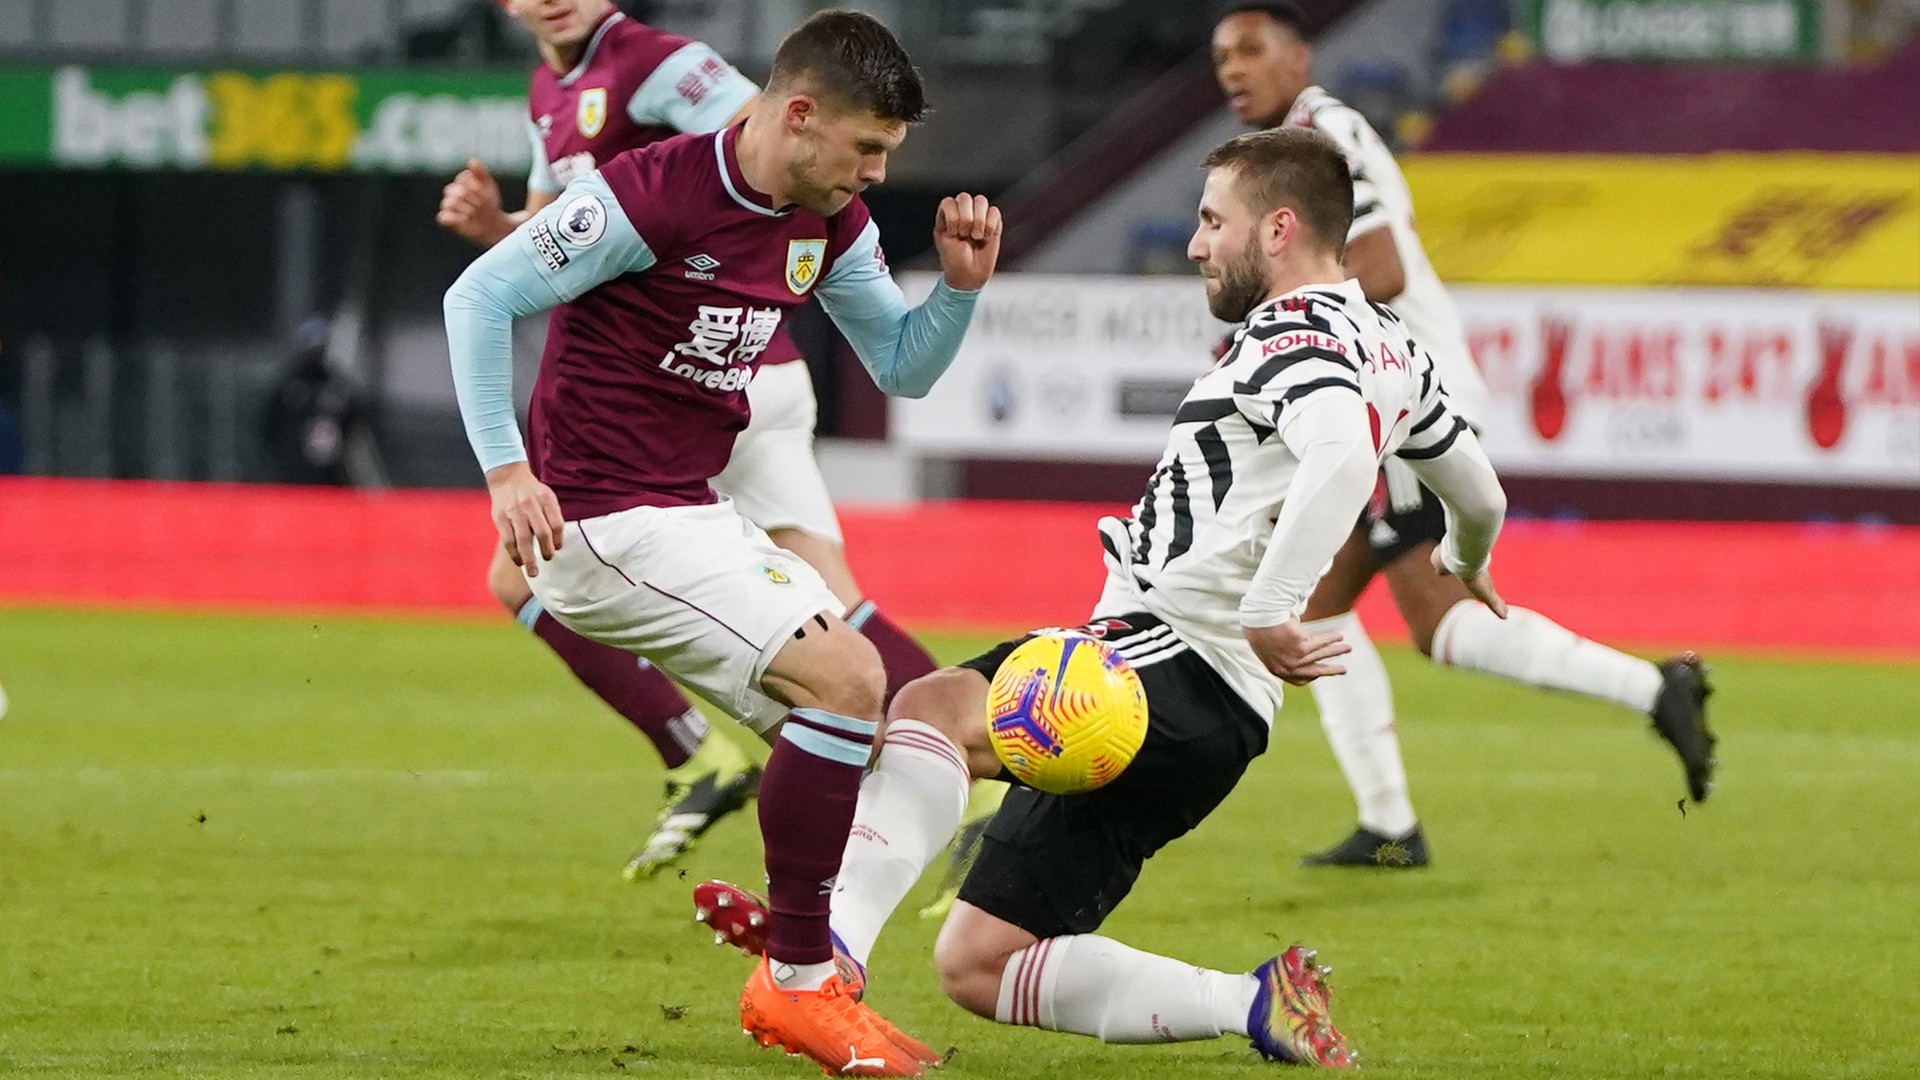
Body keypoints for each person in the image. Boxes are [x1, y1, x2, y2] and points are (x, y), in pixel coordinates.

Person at [697, 128, 1511, 1070]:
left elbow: (1334, 451)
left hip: (1169, 658)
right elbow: (1479, 487)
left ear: (1280, 228)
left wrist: (1268, 606)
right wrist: (1468, 552)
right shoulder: (1392, 344)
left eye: (1215, 221)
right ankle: (1256, 1002)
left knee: (931, 708)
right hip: (1215, 718)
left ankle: (821, 953)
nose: (1198, 244)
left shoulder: (1297, 333)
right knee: (981, 963)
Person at [443, 10, 1002, 1074]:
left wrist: (962, 291)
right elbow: (479, 295)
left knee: (901, 735)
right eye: (867, 147)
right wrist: (507, 471)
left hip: (692, 511)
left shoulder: (829, 222)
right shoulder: (648, 193)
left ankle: (799, 944)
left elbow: (902, 367)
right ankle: (801, 980)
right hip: (599, 521)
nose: (879, 173)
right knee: (848, 674)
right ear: (798, 116)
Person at [1211, 2, 1716, 867]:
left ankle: (1652, 686)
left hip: (1399, 396)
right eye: (1221, 54)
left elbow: (1380, 265)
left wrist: (1271, 329)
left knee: (1439, 619)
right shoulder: (1293, 144)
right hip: (1383, 390)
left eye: (1252, 50)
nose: (1231, 68)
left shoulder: (1324, 132)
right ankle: (1389, 827)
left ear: (1300, 57)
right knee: (1311, 601)